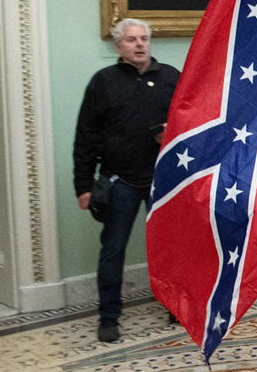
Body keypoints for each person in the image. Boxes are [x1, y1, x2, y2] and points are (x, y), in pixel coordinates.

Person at [74, 19, 180, 342]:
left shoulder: (170, 77)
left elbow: (190, 120)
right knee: (113, 248)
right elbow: (86, 135)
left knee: (171, 246)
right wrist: (83, 185)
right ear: (119, 46)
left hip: (164, 178)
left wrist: (170, 132)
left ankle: (177, 306)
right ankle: (109, 316)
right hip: (120, 180)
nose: (139, 44)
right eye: (131, 39)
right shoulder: (103, 82)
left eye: (144, 38)